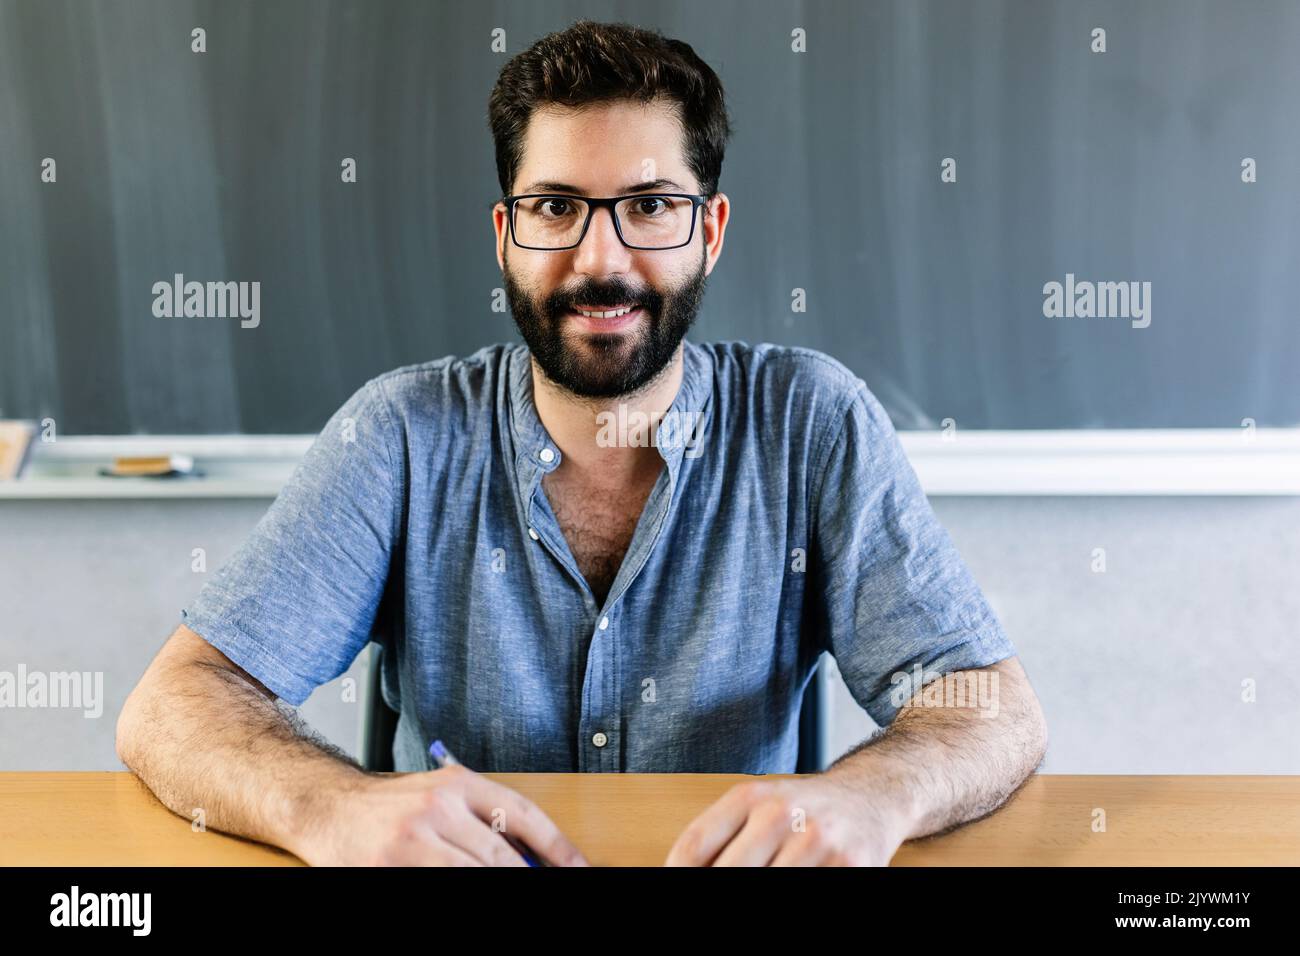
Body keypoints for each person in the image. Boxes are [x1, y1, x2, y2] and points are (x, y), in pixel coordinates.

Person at [117, 19, 1047, 867]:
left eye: (649, 206)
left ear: (710, 232)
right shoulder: (398, 436)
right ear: (505, 236)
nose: (600, 260)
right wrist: (332, 808)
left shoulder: (813, 423)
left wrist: (870, 796)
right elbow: (175, 703)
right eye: (555, 208)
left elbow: (991, 706)